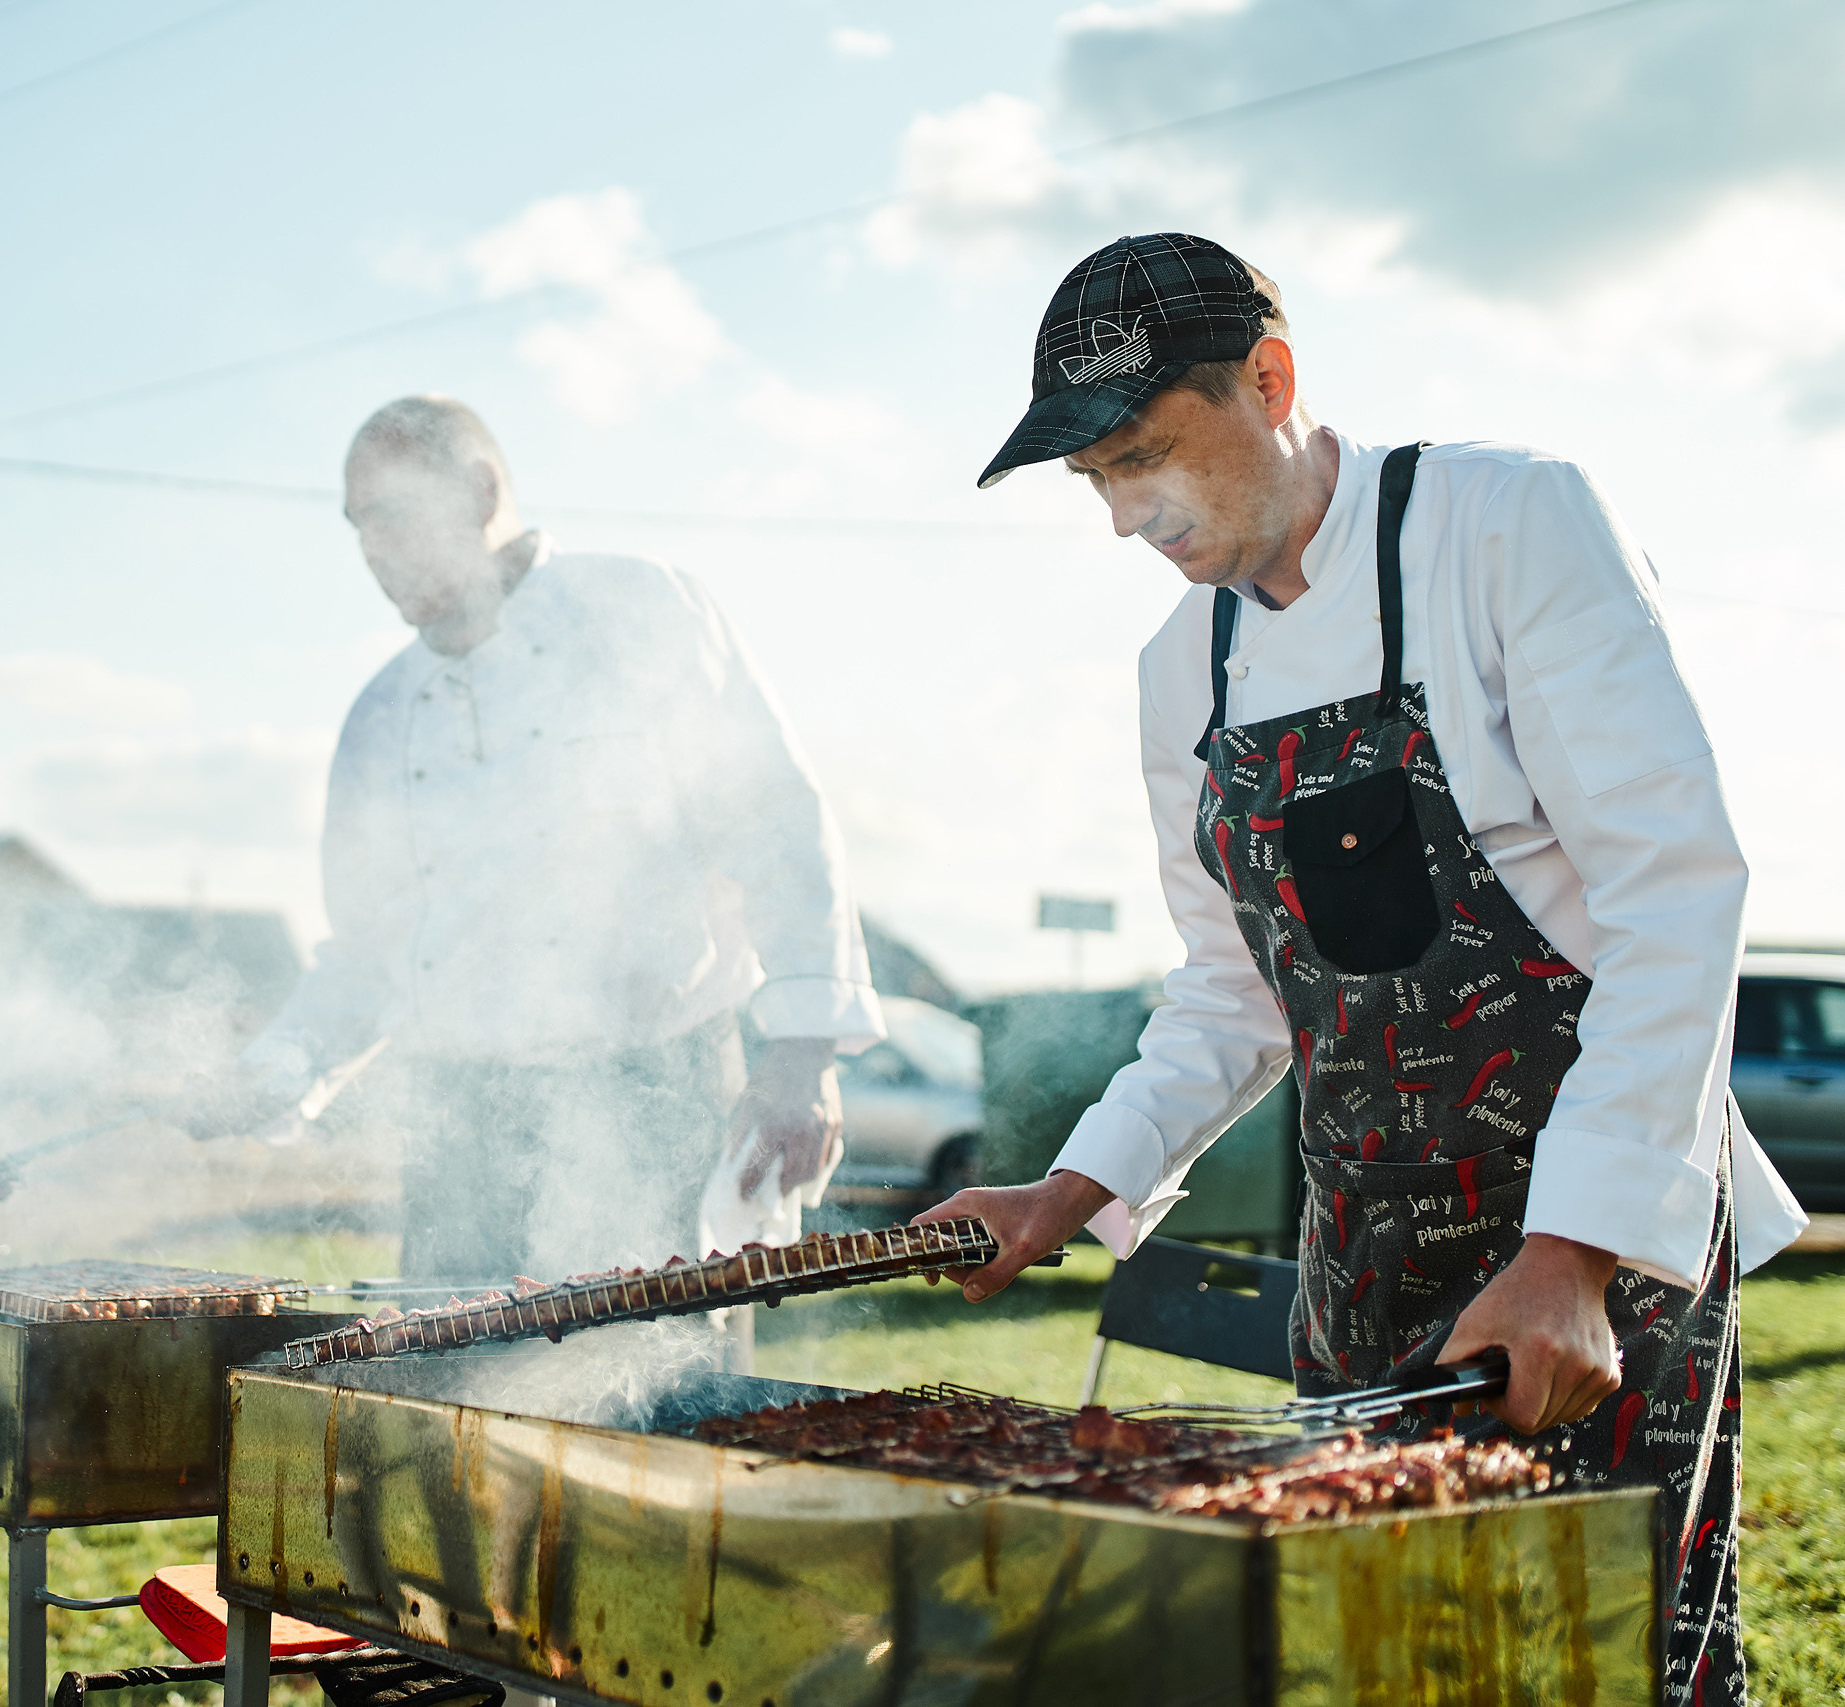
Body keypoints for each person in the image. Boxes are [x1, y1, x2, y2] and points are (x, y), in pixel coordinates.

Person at [917, 233, 1807, 1706]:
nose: (1130, 515)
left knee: (1605, 1656)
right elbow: (1228, 991)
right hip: (1366, 1257)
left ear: (1270, 379)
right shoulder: (1177, 669)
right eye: (1095, 482)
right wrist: (1062, 1189)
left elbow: (1676, 897)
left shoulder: (1510, 523)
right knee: (1371, 1655)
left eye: (1147, 454)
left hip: (1591, 1243)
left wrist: (1569, 1257)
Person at [213, 395, 885, 1286]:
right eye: (357, 526)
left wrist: (801, 1057)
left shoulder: (641, 609)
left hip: (655, 1098)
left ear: (481, 490)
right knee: (444, 1392)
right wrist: (271, 1067)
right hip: (462, 1127)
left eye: (392, 513)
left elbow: (775, 825)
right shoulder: (378, 718)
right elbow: (372, 954)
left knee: (649, 1394)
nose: (372, 548)